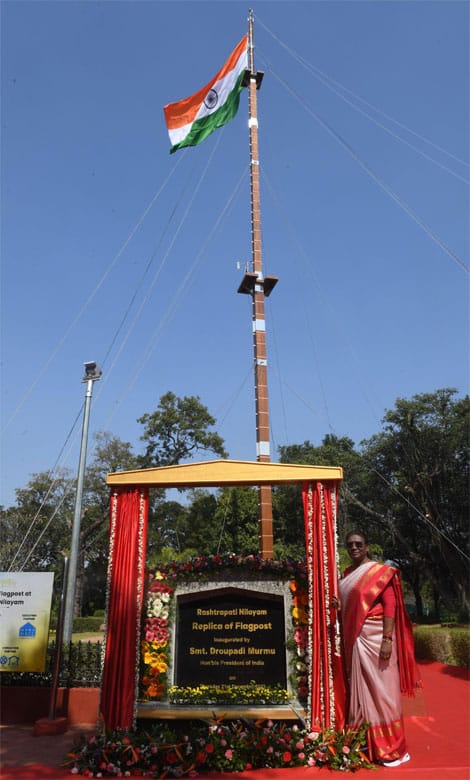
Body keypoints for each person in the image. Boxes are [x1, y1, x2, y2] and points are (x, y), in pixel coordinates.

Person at [332, 531, 420, 768]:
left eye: (358, 544)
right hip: (356, 641)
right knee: (360, 694)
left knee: (384, 693)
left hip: (377, 638)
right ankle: (365, 744)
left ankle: (392, 747)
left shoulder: (379, 572)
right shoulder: (347, 575)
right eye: (349, 545)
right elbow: (347, 609)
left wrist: (388, 639)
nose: (354, 548)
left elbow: (390, 605)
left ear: (367, 546)